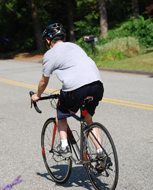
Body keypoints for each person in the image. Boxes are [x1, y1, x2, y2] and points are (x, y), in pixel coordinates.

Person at [31, 23, 104, 158]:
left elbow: (43, 81)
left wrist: (37, 95)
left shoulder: (49, 54)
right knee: (88, 119)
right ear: (63, 38)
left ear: (48, 40)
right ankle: (101, 153)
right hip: (97, 85)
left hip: (76, 89)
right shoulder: (75, 46)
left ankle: (64, 146)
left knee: (60, 113)